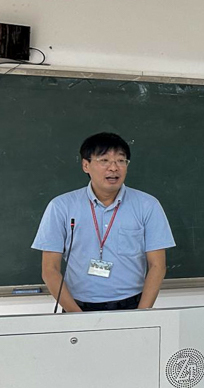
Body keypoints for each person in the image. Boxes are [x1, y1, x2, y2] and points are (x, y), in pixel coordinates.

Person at [32, 132, 175, 312]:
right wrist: (77, 316)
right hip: (76, 307)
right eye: (104, 160)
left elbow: (157, 266)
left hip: (132, 305)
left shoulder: (148, 205)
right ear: (86, 165)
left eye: (121, 161)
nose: (114, 168)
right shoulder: (61, 206)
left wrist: (141, 313)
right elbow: (50, 269)